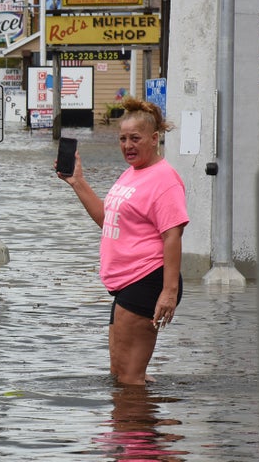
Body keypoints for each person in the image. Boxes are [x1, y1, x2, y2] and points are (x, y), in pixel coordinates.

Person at [58, 98, 188, 385]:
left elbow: (172, 236)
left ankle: (140, 428)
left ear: (154, 139)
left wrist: (168, 292)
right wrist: (78, 182)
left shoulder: (164, 180)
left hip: (148, 280)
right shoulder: (132, 174)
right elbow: (110, 221)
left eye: (135, 138)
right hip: (127, 284)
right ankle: (143, 427)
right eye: (122, 139)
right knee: (121, 373)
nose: (128, 145)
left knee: (129, 378)